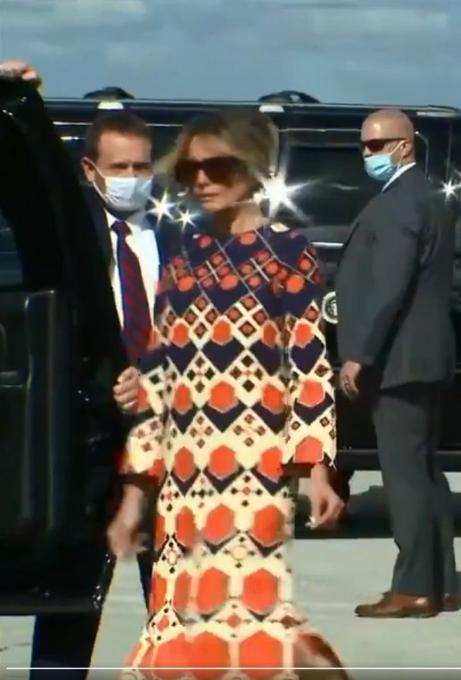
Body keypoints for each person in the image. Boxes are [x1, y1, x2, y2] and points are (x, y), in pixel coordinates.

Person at [105, 109, 347, 677]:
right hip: (181, 482)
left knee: (248, 615)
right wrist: (135, 496)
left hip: (254, 474)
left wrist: (317, 469)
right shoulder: (182, 260)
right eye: (189, 171)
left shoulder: (288, 253)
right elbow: (158, 380)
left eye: (218, 167)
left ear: (254, 168)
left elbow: (308, 363)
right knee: (175, 618)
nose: (202, 180)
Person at [30, 110, 179, 678]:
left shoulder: (176, 237)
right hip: (89, 448)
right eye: (120, 168)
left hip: (166, 448)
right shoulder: (68, 242)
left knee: (175, 605)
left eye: (142, 166)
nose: (132, 178)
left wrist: (159, 379)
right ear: (90, 170)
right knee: (70, 612)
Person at [336, 108, 459, 619]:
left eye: (377, 145)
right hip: (426, 356)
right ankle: (441, 582)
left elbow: (389, 289)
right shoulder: (427, 196)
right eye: (364, 145)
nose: (367, 154)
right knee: (425, 471)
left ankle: (413, 588)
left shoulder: (397, 205)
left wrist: (359, 355)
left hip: (399, 360)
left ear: (405, 146)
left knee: (405, 476)